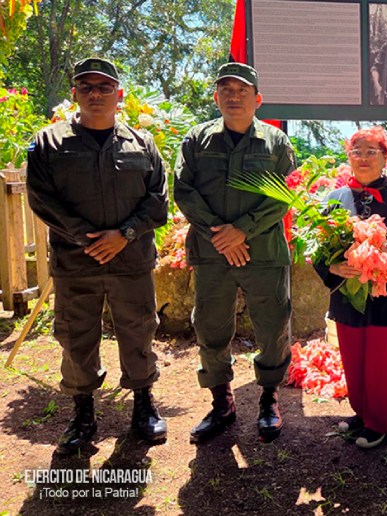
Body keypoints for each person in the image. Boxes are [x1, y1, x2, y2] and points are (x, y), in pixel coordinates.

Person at [26, 57, 168, 454]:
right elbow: (42, 198)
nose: (95, 94)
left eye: (104, 87)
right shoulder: (49, 143)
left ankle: (143, 406)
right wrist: (85, 239)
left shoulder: (143, 144)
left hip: (131, 261)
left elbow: (158, 201)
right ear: (74, 94)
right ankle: (82, 414)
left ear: (119, 95)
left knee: (138, 331)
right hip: (76, 263)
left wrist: (124, 234)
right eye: (86, 87)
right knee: (75, 338)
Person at [174, 63, 296, 444]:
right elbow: (184, 191)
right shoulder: (196, 140)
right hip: (212, 254)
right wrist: (221, 234)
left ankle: (269, 399)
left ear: (257, 99)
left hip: (264, 253)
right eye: (225, 89)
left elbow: (285, 194)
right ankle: (221, 402)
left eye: (242, 90)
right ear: (216, 98)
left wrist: (242, 230)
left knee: (273, 326)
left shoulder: (276, 143)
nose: (233, 96)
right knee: (210, 327)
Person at [314, 126, 387, 449]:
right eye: (357, 151)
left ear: (385, 158)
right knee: (354, 361)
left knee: (383, 362)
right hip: (348, 299)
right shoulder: (334, 200)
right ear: (348, 157)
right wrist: (333, 268)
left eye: (371, 151)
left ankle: (379, 423)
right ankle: (362, 413)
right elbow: (317, 250)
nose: (363, 158)